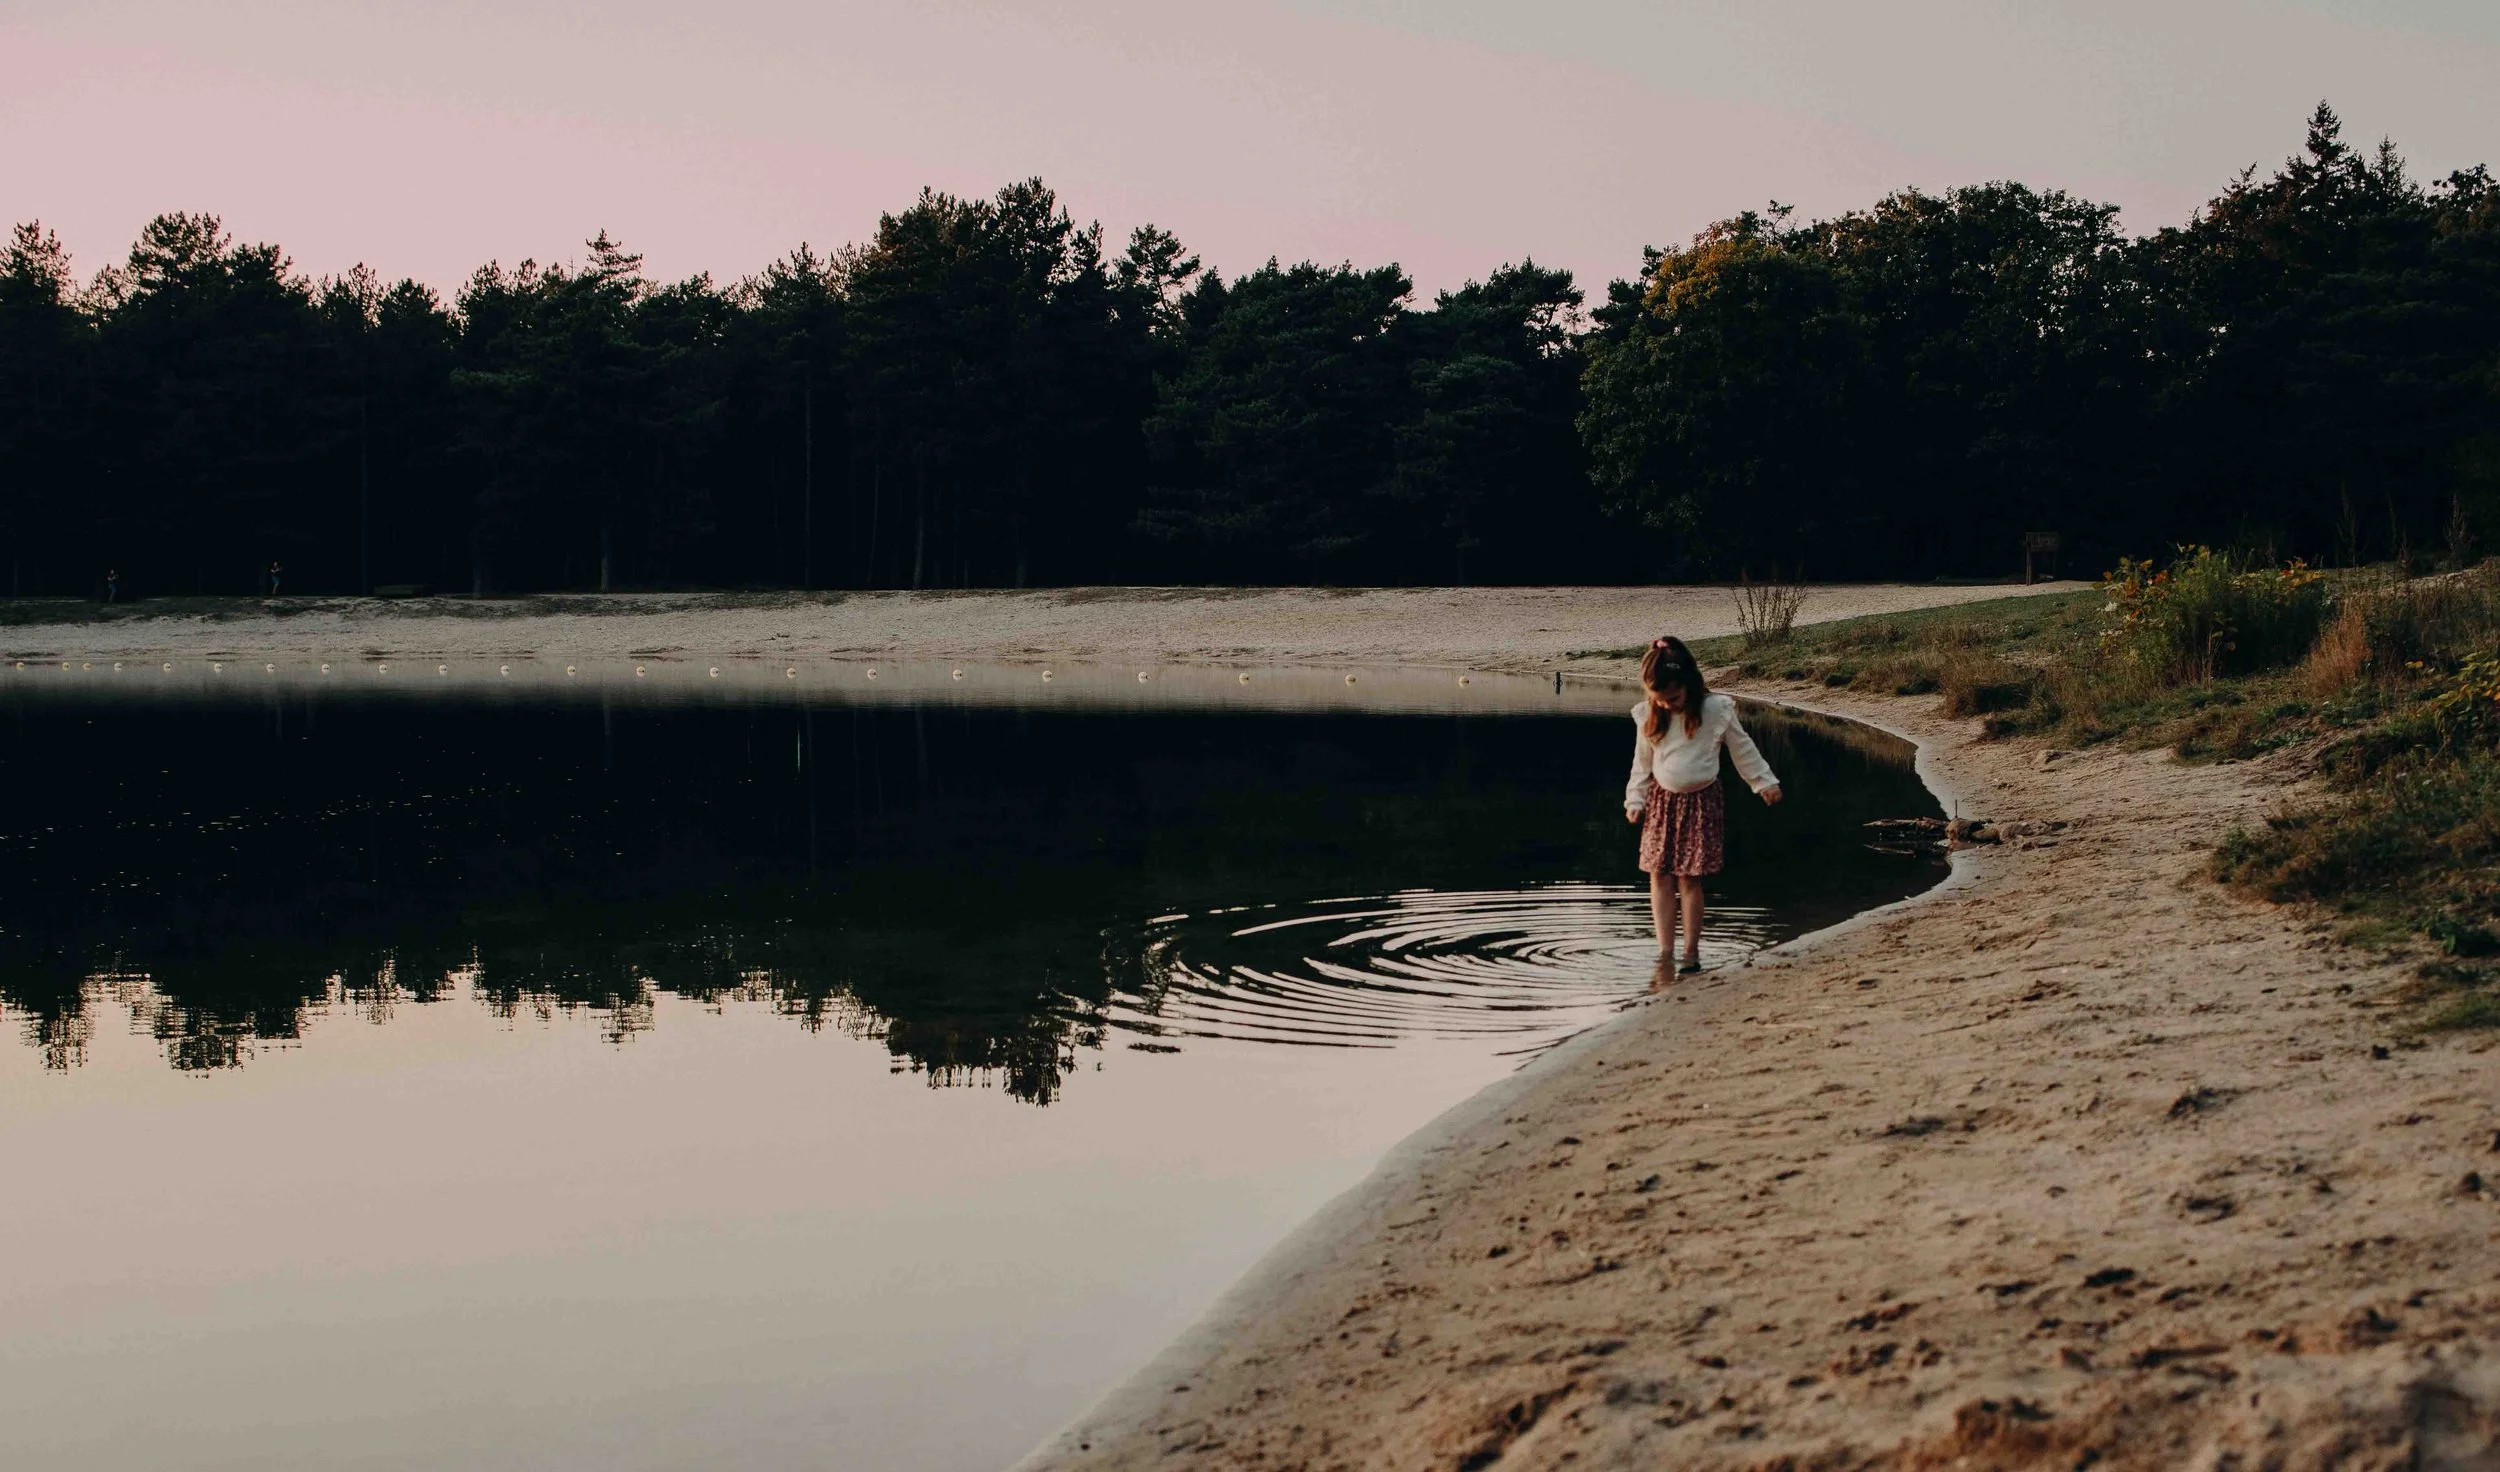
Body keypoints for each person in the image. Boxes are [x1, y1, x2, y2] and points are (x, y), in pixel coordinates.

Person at [1624, 635, 1781, 974]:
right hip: (1662, 803)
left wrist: (1763, 782)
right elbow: (1642, 763)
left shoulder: (1714, 710)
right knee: (1659, 874)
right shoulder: (1651, 715)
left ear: (1690, 685)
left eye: (1674, 697)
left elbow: (1743, 749)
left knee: (1689, 877)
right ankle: (1665, 952)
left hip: (1701, 803)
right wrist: (1635, 799)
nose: (1668, 705)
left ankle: (1691, 952)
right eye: (1660, 699)